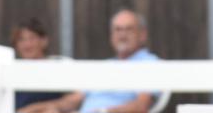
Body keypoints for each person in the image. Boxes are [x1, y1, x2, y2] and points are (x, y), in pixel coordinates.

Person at [18, 9, 160, 113]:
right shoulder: (105, 66)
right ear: (111, 36)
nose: (122, 35)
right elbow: (72, 100)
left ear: (142, 35)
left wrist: (104, 112)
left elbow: (142, 106)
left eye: (128, 29)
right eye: (117, 30)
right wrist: (36, 108)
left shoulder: (149, 63)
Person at [11, 18, 65, 110]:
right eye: (21, 39)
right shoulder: (10, 70)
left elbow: (76, 96)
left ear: (44, 41)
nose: (27, 44)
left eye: (32, 38)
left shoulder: (57, 65)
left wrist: (34, 108)